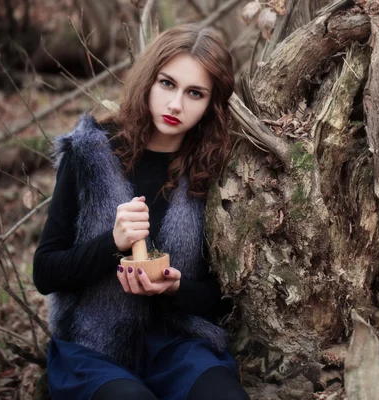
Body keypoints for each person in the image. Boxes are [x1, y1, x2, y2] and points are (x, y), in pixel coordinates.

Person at [33, 24, 249, 400]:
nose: (176, 104)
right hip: (92, 347)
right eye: (167, 84)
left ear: (211, 104)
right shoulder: (90, 152)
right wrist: (112, 244)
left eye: (194, 93)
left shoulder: (214, 170)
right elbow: (45, 272)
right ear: (149, 80)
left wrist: (175, 288)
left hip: (177, 345)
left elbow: (223, 294)